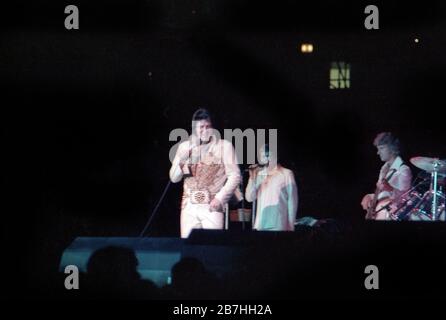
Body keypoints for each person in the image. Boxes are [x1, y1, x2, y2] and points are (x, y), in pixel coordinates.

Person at [169, 109, 241, 238]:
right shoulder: (185, 147)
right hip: (189, 207)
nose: (204, 130)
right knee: (189, 248)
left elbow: (235, 176)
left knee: (212, 247)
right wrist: (183, 158)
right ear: (194, 129)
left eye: (208, 126)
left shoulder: (224, 146)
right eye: (201, 127)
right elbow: (174, 178)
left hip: (212, 206)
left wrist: (220, 198)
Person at [245, 144, 298, 231]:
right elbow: (249, 198)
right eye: (262, 155)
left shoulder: (286, 174)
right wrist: (252, 179)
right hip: (260, 224)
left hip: (279, 225)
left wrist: (290, 226)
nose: (265, 158)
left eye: (267, 154)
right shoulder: (258, 174)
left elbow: (292, 202)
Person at [361, 132, 412, 220]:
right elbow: (383, 194)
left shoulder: (403, 170)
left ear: (392, 149)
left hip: (391, 216)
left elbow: (405, 199)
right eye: (378, 148)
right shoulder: (384, 169)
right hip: (380, 212)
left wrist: (390, 188)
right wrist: (370, 196)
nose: (378, 152)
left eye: (381, 148)